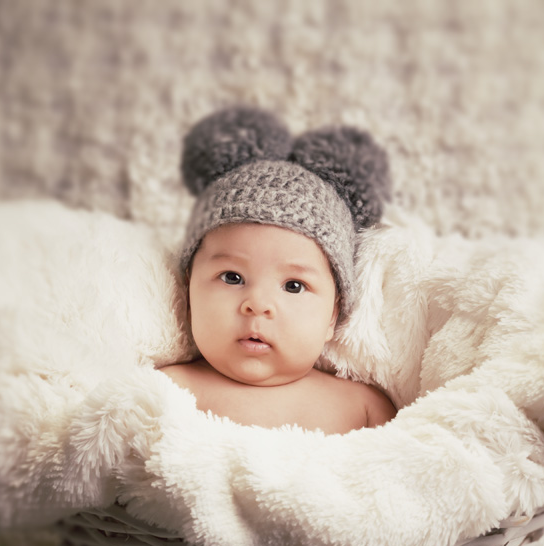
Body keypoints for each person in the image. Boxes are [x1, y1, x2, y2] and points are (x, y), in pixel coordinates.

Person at [161, 107, 397, 435]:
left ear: (333, 315)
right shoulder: (166, 392)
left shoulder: (365, 409)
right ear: (188, 291)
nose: (257, 304)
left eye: (294, 285)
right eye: (232, 277)